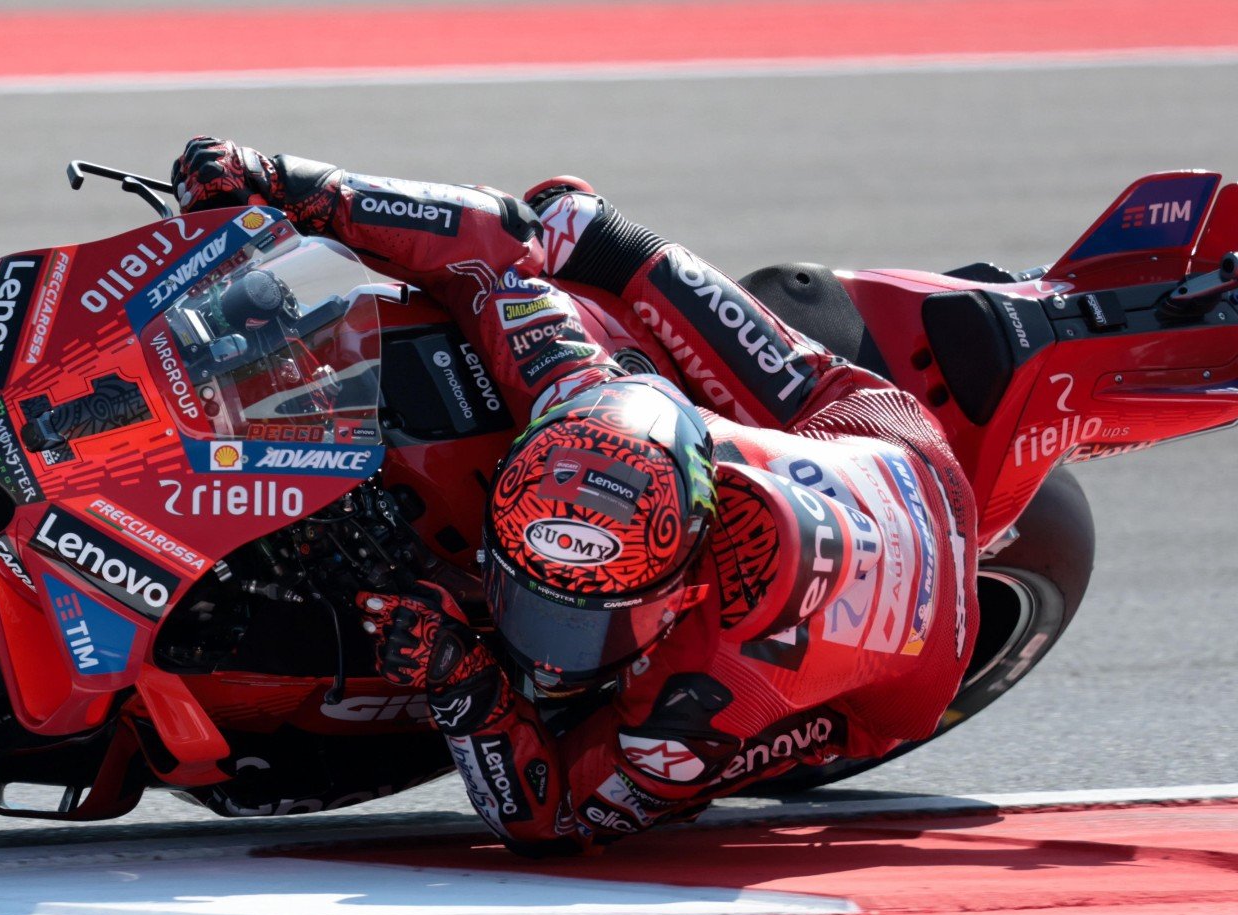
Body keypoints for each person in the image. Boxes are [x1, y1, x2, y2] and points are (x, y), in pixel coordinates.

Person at [171, 138, 979, 854]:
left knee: (689, 776)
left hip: (912, 616)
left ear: (682, 590)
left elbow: (556, 819)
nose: (547, 648)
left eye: (577, 619)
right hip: (864, 452)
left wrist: (466, 690)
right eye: (532, 596)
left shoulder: (700, 692)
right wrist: (293, 182)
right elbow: (496, 242)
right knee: (571, 224)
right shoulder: (573, 384)